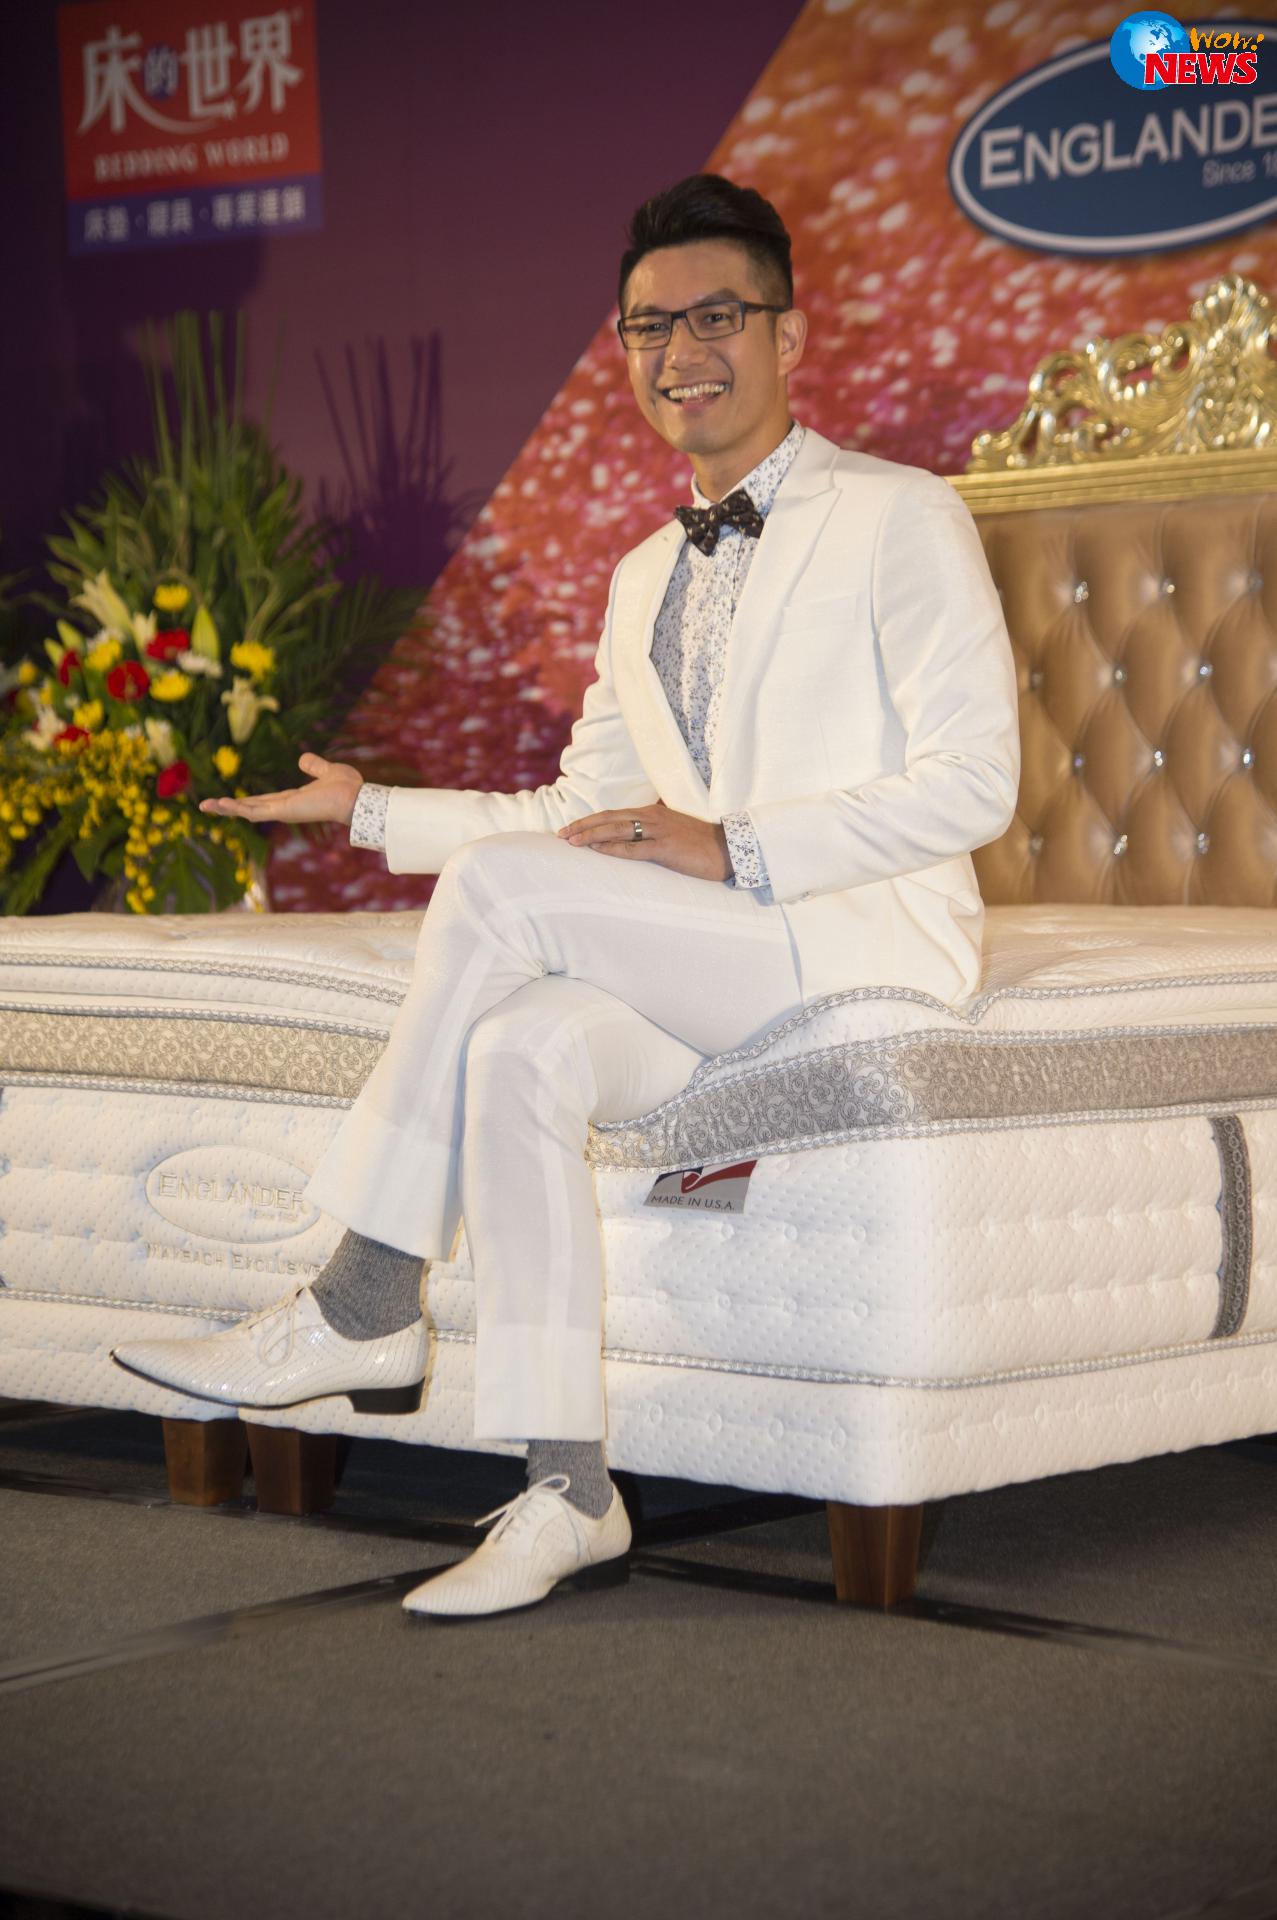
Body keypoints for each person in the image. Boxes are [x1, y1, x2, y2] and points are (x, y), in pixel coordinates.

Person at [112, 173, 1021, 1619]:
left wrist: (733, 846)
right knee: (519, 1046)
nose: (680, 352)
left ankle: (362, 1297)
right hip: (721, 954)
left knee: (500, 905)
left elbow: (974, 784)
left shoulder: (900, 516)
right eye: (649, 327)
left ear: (789, 335)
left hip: (858, 941)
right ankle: (568, 1487)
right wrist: (371, 810)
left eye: (716, 317)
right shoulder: (641, 573)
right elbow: (568, 820)